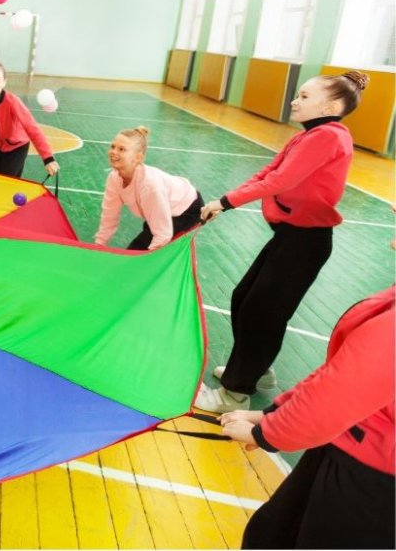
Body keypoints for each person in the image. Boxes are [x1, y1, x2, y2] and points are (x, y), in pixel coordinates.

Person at [195, 71, 369, 413]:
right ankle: (255, 370)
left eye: (304, 97)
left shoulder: (328, 137)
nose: (294, 100)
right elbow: (269, 171)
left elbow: (279, 180)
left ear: (331, 106)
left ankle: (235, 392)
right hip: (290, 237)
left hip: (306, 243)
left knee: (262, 312)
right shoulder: (309, 135)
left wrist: (226, 203)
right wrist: (226, 199)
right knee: (244, 298)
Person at [218, 284, 394, 549]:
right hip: (350, 455)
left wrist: (267, 433)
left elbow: (341, 391)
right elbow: (339, 371)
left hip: (372, 480)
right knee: (269, 536)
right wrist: (271, 414)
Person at [93, 126, 203, 251]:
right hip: (164, 207)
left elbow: (163, 234)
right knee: (143, 243)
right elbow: (109, 216)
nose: (113, 152)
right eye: (113, 146)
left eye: (122, 149)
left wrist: (147, 260)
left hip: (187, 209)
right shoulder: (114, 178)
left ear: (138, 158)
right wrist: (99, 244)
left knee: (139, 252)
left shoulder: (149, 186)